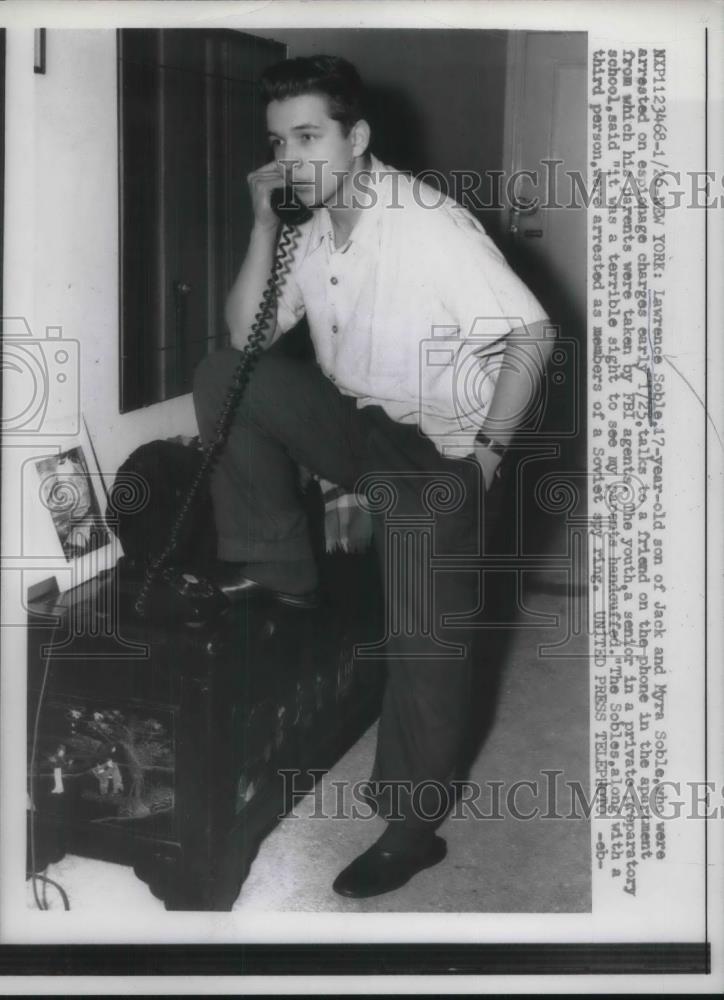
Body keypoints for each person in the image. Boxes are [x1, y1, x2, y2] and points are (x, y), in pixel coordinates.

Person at [193, 55, 553, 898]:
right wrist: (262, 227)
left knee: (428, 645)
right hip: (359, 428)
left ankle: (410, 828)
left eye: (310, 137)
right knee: (221, 376)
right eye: (279, 143)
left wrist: (489, 460)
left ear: (357, 138)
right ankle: (277, 567)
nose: (292, 160)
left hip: (437, 456)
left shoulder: (427, 224)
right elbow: (247, 346)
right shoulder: (314, 226)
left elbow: (532, 337)